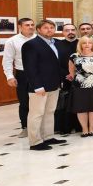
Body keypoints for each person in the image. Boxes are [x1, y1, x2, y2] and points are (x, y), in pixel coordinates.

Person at [21, 20, 67, 151]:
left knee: (49, 112)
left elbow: (57, 64)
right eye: (46, 28)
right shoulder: (31, 45)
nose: (49, 30)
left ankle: (48, 136)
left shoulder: (56, 43)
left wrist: (62, 79)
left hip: (54, 84)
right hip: (39, 86)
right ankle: (35, 141)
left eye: (52, 27)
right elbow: (30, 67)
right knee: (36, 114)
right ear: (39, 30)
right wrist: (37, 85)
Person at [3, 18, 36, 137]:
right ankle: (25, 127)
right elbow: (7, 60)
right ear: (20, 27)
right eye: (27, 25)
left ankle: (39, 127)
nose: (31, 27)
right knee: (24, 102)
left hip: (39, 74)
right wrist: (10, 76)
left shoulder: (39, 39)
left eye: (32, 24)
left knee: (39, 102)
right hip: (23, 74)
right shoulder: (12, 41)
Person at [68, 35, 93, 137]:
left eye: (90, 43)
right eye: (84, 43)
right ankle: (84, 129)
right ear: (80, 44)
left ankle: (92, 128)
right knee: (81, 108)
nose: (87, 45)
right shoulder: (74, 56)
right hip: (79, 85)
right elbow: (71, 71)